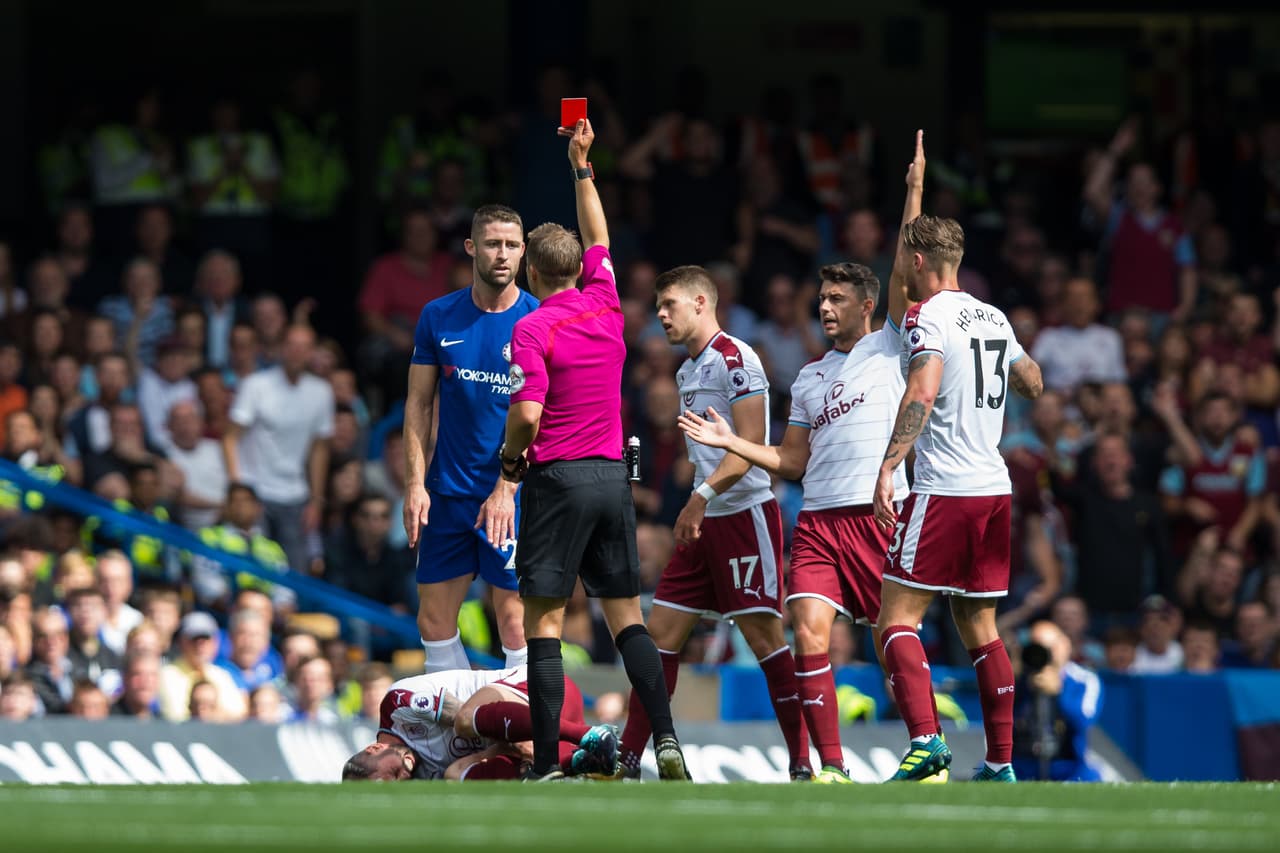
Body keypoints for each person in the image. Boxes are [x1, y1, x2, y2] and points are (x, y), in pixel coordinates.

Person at [678, 132, 926, 783]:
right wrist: (733, 443)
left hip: (877, 517)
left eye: (837, 299)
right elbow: (790, 461)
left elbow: (905, 264)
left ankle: (928, 744)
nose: (824, 307)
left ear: (868, 306)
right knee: (807, 629)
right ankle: (831, 767)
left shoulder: (891, 347)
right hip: (817, 521)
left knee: (891, 638)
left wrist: (913, 191)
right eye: (822, 299)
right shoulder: (811, 377)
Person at [499, 118, 687, 781]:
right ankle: (665, 739)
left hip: (558, 479)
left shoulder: (532, 327)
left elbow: (525, 412)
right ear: (579, 268)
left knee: (544, 622)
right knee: (627, 618)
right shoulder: (606, 302)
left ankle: (547, 765)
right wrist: (583, 167)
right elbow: (601, 234)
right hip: (615, 478)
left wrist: (508, 459)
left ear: (530, 269)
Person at [872, 198, 1044, 782]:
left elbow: (922, 391)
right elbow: (1033, 382)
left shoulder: (927, 318)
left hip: (945, 487)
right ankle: (1000, 762)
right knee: (980, 627)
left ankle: (926, 742)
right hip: (994, 489)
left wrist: (890, 466)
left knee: (894, 620)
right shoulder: (993, 316)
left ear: (918, 260)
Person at [616, 264, 809, 781]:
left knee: (765, 638)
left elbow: (749, 450)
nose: (660, 315)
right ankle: (629, 758)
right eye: (657, 306)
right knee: (658, 635)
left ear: (701, 303)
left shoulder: (736, 358)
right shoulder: (684, 372)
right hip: (703, 523)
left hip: (744, 517)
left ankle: (803, 761)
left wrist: (697, 497)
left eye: (669, 305)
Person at [402, 205, 537, 673]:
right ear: (471, 248)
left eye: (512, 246)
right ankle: (464, 733)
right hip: (448, 492)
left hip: (512, 495)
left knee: (515, 623)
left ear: (524, 252)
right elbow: (418, 405)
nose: (502, 255)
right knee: (434, 620)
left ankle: (524, 739)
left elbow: (544, 419)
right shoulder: (438, 316)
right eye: (493, 244)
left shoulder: (538, 320)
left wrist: (506, 489)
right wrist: (415, 484)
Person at [340, 665, 616, 781]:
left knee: (462, 720)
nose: (403, 778)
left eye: (391, 774)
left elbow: (459, 711)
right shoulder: (421, 776)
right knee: (454, 776)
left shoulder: (396, 706)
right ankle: (578, 761)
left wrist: (510, 742)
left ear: (373, 750)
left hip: (541, 692)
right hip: (537, 738)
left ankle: (589, 734)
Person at [224, 324, 334, 574]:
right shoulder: (255, 384)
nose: (297, 352)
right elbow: (230, 438)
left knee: (296, 572)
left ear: (312, 353)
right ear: (282, 348)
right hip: (255, 491)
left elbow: (320, 449)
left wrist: (316, 500)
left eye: (304, 347)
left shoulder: (322, 391)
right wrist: (237, 488)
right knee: (254, 569)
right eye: (292, 345)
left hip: (295, 494)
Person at [1011, 620, 1104, 782]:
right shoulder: (1018, 682)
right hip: (1021, 763)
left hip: (1069, 764)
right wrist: (1021, 684)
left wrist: (1059, 692)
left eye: (1050, 648)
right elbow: (1002, 722)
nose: (1046, 655)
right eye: (1038, 648)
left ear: (1065, 645)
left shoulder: (1084, 680)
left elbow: (1083, 721)